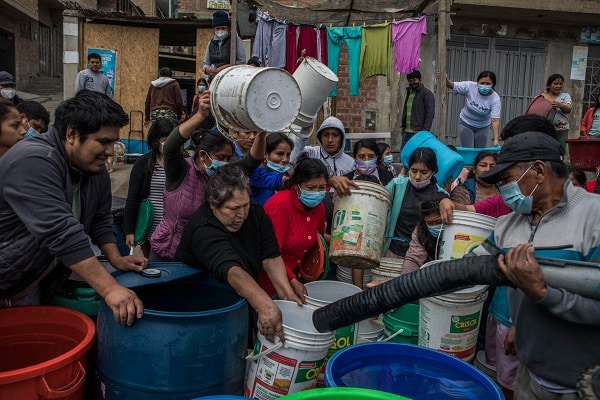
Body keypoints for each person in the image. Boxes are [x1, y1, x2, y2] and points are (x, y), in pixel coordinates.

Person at [0, 90, 146, 325]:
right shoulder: (33, 161)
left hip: (28, 284)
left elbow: (100, 218)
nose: (111, 151)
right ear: (72, 134)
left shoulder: (93, 168)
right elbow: (61, 232)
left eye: (113, 142)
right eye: (103, 142)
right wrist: (110, 289)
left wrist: (115, 258)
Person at [473, 132, 600, 399]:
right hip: (528, 373)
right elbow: (467, 267)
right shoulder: (508, 224)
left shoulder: (594, 218)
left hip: (583, 384)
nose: (503, 189)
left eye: (507, 179)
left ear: (539, 171)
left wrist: (543, 295)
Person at [175, 165, 305, 343]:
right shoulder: (203, 228)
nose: (242, 215)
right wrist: (265, 305)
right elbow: (231, 269)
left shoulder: (256, 214)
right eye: (234, 208)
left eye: (245, 205)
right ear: (213, 204)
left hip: (238, 304)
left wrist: (286, 294)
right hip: (199, 312)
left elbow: (271, 257)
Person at [149, 91, 265, 261]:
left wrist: (262, 131)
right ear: (203, 156)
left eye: (229, 158)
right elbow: (170, 147)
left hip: (201, 255)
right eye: (221, 158)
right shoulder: (181, 171)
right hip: (167, 252)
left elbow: (253, 160)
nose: (225, 163)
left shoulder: (224, 175)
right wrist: (200, 115)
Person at [260, 155, 328, 294]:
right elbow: (271, 252)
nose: (317, 193)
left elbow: (318, 239)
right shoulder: (279, 205)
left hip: (297, 277)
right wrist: (292, 280)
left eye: (322, 187)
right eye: (311, 187)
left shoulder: (319, 207)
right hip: (270, 281)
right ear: (297, 186)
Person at [124, 118, 177, 258]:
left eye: (174, 140)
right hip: (149, 227)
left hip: (174, 229)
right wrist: (129, 231)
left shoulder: (184, 164)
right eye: (165, 140)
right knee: (151, 263)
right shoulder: (143, 163)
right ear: (156, 141)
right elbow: (133, 198)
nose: (170, 144)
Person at [383, 147, 447, 259]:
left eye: (424, 172)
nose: (417, 177)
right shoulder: (396, 186)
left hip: (422, 256)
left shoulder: (441, 196)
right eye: (413, 171)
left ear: (433, 171)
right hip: (393, 252)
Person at [445, 70, 501, 148]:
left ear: (493, 84)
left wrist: (496, 139)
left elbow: (495, 120)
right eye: (482, 83)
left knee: (479, 151)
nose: (484, 86)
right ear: (477, 83)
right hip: (466, 123)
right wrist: (445, 79)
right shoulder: (470, 86)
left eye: (488, 84)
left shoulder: (495, 98)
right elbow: (451, 85)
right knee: (469, 149)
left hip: (483, 127)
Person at [250, 132, 292, 205]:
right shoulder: (255, 172)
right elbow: (273, 179)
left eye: (288, 155)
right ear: (265, 154)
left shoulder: (285, 173)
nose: (285, 159)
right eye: (279, 154)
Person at [202, 11, 246, 80]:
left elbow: (242, 62)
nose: (220, 31)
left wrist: (222, 68)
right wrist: (208, 70)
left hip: (231, 78)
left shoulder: (235, 40)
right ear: (214, 29)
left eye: (223, 28)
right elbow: (205, 64)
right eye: (218, 28)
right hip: (214, 79)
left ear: (228, 28)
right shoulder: (210, 43)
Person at [400, 70, 435, 151]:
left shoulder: (427, 94)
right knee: (404, 154)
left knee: (417, 155)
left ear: (420, 80)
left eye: (414, 80)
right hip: (407, 132)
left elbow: (430, 114)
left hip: (418, 133)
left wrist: (425, 132)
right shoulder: (409, 93)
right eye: (410, 81)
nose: (412, 83)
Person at [540, 74, 572, 149]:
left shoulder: (565, 96)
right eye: (556, 84)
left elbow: (568, 109)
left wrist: (561, 105)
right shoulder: (541, 97)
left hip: (561, 129)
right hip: (545, 129)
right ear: (549, 85)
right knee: (545, 149)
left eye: (561, 84)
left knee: (560, 149)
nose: (558, 86)